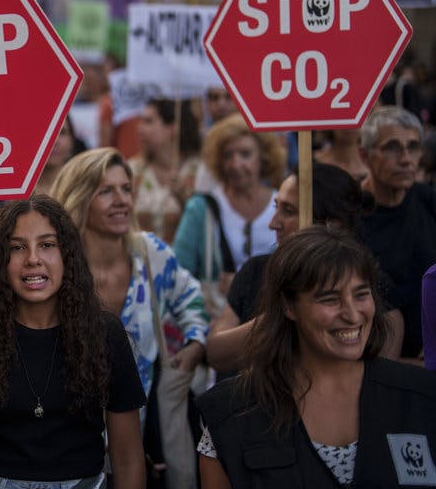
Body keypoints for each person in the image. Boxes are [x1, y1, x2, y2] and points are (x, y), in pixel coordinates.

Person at [0, 195, 146, 489]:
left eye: (47, 245)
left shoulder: (104, 332)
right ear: (1, 260)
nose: (33, 258)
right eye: (17, 247)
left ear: (67, 255)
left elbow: (128, 459)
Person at [196, 226, 436, 489]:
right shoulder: (230, 414)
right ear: (288, 306)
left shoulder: (422, 396)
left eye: (361, 294)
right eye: (330, 299)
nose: (353, 315)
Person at [52, 148, 208, 489]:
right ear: (79, 198)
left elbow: (191, 299)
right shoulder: (55, 264)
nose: (121, 200)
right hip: (68, 441)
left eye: (125, 189)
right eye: (105, 191)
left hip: (139, 439)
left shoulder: (151, 255)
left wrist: (195, 344)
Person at [204, 163, 393, 373]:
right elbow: (216, 353)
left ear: (332, 224)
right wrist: (280, 315)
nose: (273, 223)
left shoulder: (374, 283)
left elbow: (381, 374)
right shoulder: (256, 270)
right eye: (276, 207)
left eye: (289, 211)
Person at [173, 113, 286, 320]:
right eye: (227, 155)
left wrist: (246, 284)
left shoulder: (284, 205)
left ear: (263, 156)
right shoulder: (200, 208)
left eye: (245, 154)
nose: (235, 164)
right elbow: (178, 275)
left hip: (277, 322)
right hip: (216, 323)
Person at [359, 105, 436, 361]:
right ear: (365, 156)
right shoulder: (350, 213)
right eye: (392, 147)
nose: (405, 159)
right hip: (371, 359)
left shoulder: (428, 200)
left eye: (413, 147)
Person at [129, 97, 201, 243]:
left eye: (148, 121)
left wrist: (184, 200)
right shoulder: (133, 170)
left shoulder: (199, 170)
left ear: (172, 128)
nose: (139, 128)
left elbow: (207, 227)